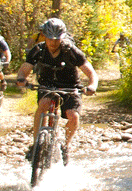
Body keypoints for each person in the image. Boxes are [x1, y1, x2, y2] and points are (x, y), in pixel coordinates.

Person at [15, 17, 98, 165]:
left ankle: (65, 146)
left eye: (57, 39)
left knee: (73, 116)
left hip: (70, 86)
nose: (53, 42)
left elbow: (91, 72)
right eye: (50, 38)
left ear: (63, 37)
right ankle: (36, 144)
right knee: (44, 104)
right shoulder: (38, 50)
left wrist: (92, 86)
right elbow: (25, 68)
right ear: (44, 36)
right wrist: (21, 78)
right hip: (46, 85)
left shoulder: (71, 51)